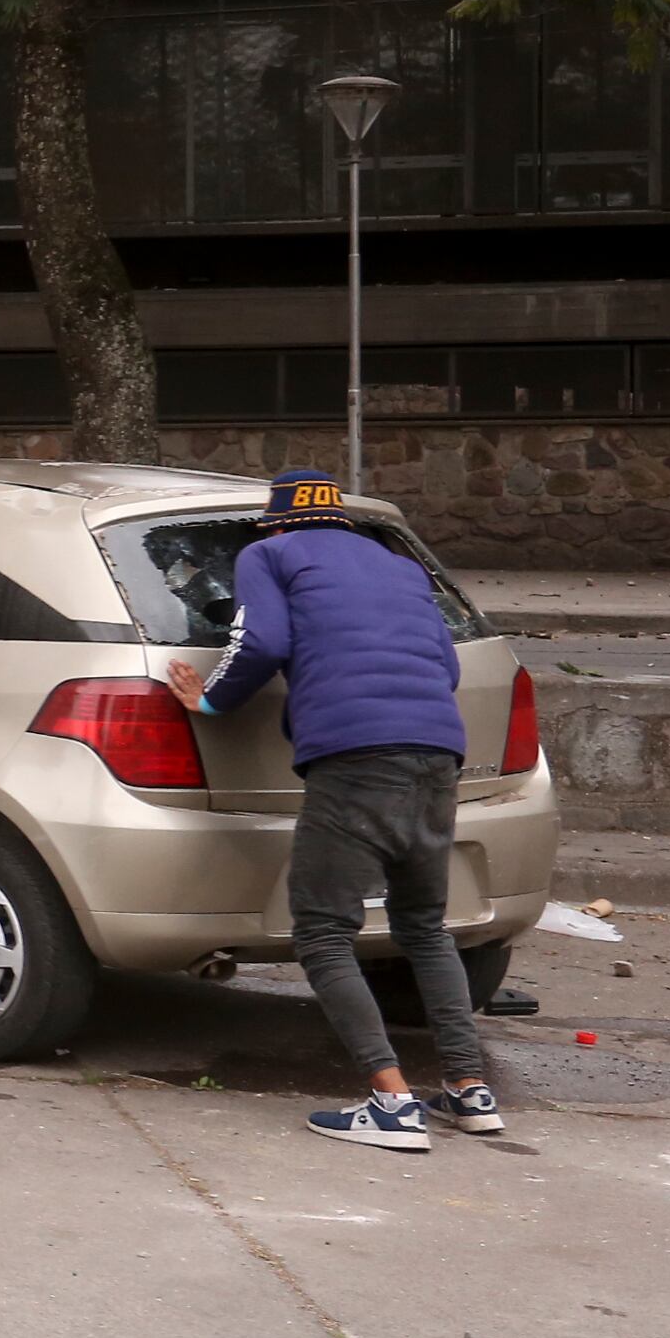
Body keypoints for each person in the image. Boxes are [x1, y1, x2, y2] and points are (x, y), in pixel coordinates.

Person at [166, 470, 498, 1151]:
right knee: (424, 928)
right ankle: (470, 1091)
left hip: (354, 758)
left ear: (279, 521)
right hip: (437, 752)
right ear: (340, 519)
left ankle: (392, 1103)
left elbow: (259, 644)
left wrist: (208, 701)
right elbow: (448, 666)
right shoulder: (398, 564)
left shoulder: (270, 555)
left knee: (321, 930)